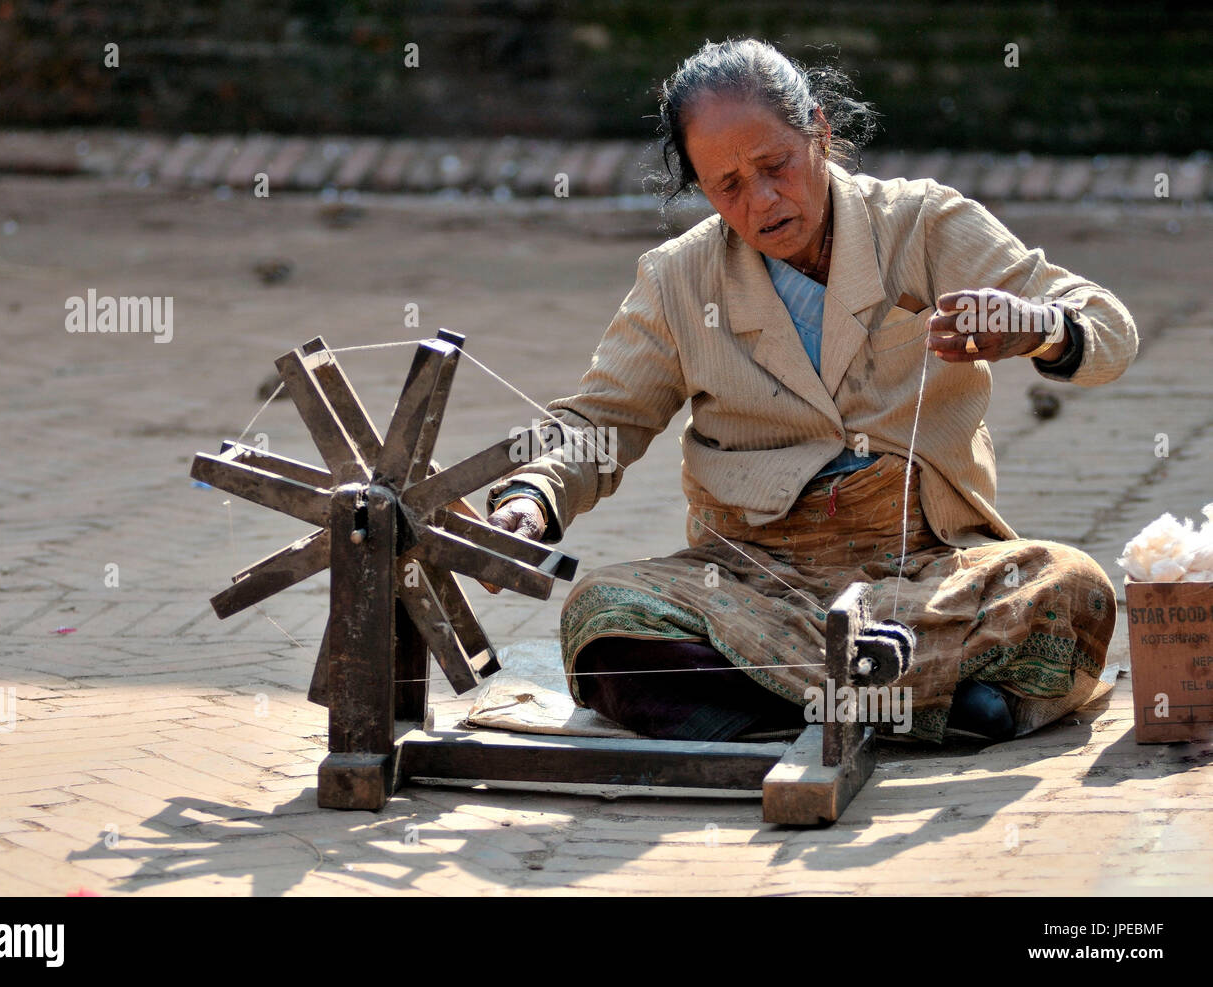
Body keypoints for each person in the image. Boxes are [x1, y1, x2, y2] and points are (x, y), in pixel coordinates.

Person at [485, 38, 1137, 744]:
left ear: (820, 133)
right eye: (727, 185)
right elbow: (600, 419)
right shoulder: (678, 280)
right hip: (750, 585)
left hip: (923, 574)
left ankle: (785, 705)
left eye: (775, 166)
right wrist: (533, 495)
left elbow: (1109, 326)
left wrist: (1040, 328)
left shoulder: (921, 225)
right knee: (602, 612)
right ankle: (919, 706)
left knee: (1070, 588)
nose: (761, 201)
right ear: (702, 188)